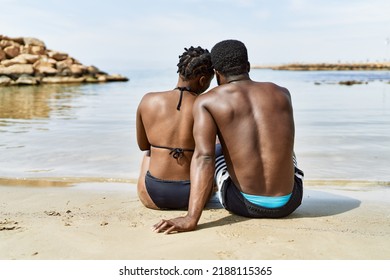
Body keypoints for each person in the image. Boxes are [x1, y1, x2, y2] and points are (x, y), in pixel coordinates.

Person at [153, 39, 304, 233]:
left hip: (243, 204)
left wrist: (191, 218)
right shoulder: (283, 93)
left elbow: (204, 158)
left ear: (216, 73)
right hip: (290, 203)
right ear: (248, 66)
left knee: (215, 149)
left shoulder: (208, 101)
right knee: (287, 152)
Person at [136, 46, 214, 210]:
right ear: (202, 80)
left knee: (149, 151)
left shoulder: (148, 100)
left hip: (152, 195)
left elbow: (143, 145)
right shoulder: (207, 105)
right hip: (193, 197)